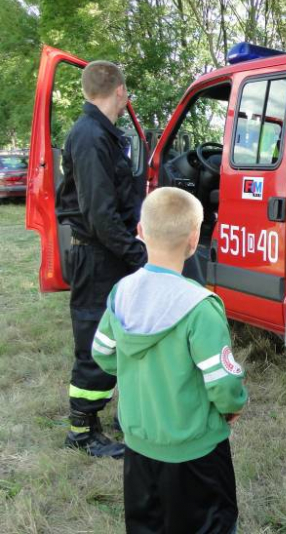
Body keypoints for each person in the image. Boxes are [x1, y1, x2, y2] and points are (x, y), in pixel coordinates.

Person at [92, 187, 248, 534]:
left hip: (139, 450)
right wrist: (234, 404)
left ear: (141, 232)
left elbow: (101, 352)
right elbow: (223, 383)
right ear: (194, 240)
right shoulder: (201, 306)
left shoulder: (122, 292)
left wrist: (137, 374)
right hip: (197, 455)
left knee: (147, 525)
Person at [56, 60, 147, 457]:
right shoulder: (91, 136)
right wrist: (139, 256)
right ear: (121, 92)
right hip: (98, 256)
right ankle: (81, 430)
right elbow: (99, 215)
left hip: (109, 253)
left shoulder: (105, 135)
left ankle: (118, 416)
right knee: (95, 340)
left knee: (118, 336)